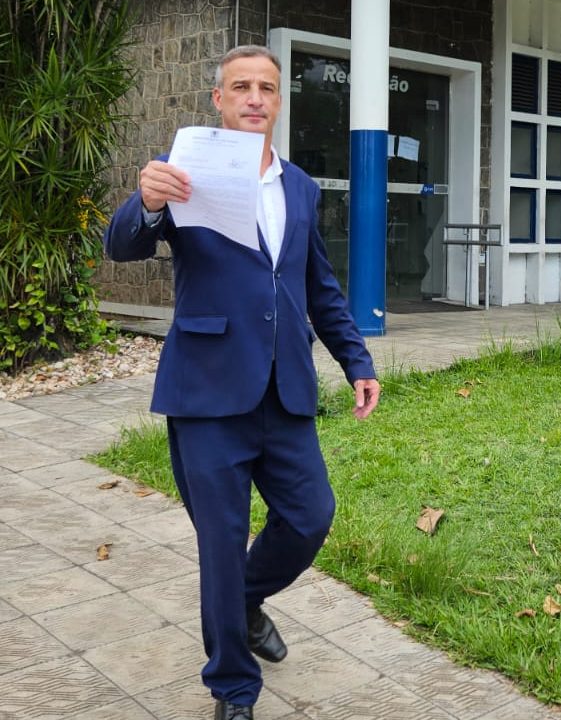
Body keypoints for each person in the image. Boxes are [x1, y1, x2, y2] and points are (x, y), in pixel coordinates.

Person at [105, 45, 380, 720]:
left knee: (310, 517)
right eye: (241, 87)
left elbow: (318, 285)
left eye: (267, 88)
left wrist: (356, 360)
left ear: (279, 101)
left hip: (285, 388)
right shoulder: (184, 172)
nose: (255, 98)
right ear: (219, 100)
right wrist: (146, 202)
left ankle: (246, 600)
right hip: (207, 390)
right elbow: (123, 245)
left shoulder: (300, 187)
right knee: (221, 545)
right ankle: (233, 687)